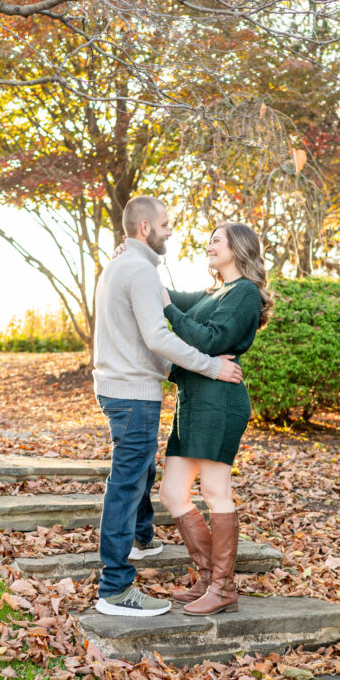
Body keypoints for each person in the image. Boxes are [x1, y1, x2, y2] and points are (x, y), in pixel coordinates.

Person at [93, 196, 243, 618]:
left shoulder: (124, 265)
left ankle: (142, 538)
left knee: (141, 470)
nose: (171, 230)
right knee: (127, 481)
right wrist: (210, 366)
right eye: (165, 224)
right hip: (132, 391)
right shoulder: (137, 268)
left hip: (120, 386)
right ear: (144, 229)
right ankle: (116, 588)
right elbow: (159, 337)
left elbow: (172, 303)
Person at [158, 222, 273, 615]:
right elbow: (169, 295)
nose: (208, 245)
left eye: (216, 240)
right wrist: (138, 264)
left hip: (220, 401)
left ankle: (223, 588)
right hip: (192, 399)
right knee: (172, 492)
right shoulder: (215, 291)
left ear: (238, 248)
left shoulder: (244, 294)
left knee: (215, 492)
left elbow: (208, 340)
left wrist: (169, 309)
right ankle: (209, 578)